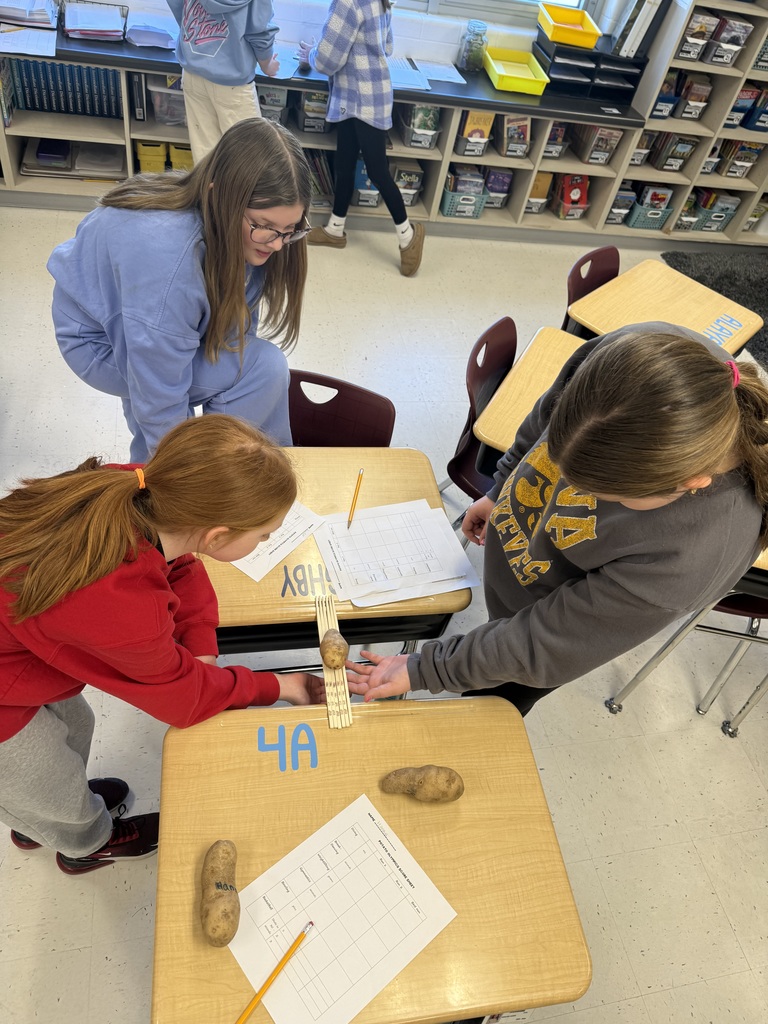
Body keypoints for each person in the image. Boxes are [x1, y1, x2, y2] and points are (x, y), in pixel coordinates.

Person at [347, 323, 768, 713]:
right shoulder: (634, 357)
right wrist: (503, 484)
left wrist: (430, 668)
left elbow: (544, 643)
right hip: (522, 590)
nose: (562, 488)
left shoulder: (694, 555)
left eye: (601, 494)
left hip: (537, 637)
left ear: (691, 482)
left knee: (489, 705)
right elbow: (546, 416)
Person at [0, 415, 325, 874]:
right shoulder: (120, 606)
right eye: (264, 535)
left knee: (73, 726)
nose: (267, 540)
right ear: (218, 535)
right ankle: (85, 842)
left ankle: (45, 813)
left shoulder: (137, 487)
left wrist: (199, 644)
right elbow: (184, 700)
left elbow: (181, 565)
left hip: (20, 650)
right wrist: (280, 686)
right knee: (37, 780)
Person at [47, 118, 311, 463]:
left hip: (137, 320)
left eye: (291, 229)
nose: (278, 245)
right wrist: (182, 473)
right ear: (221, 195)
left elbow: (235, 323)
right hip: (97, 340)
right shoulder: (170, 264)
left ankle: (188, 469)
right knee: (263, 368)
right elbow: (156, 389)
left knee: (221, 364)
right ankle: (215, 474)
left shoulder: (228, 219)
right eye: (265, 227)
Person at [297, 0, 425, 277]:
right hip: (357, 97)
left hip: (362, 98)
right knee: (343, 164)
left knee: (377, 171)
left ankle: (408, 235)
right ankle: (335, 228)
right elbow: (387, 46)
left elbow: (327, 60)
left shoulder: (347, 2)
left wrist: (310, 55)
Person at [167, 0, 282, 164]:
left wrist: (195, 39)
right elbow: (259, 29)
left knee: (205, 158)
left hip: (194, 72)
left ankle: (208, 190)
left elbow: (178, 6)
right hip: (233, 82)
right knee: (247, 162)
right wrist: (267, 64)